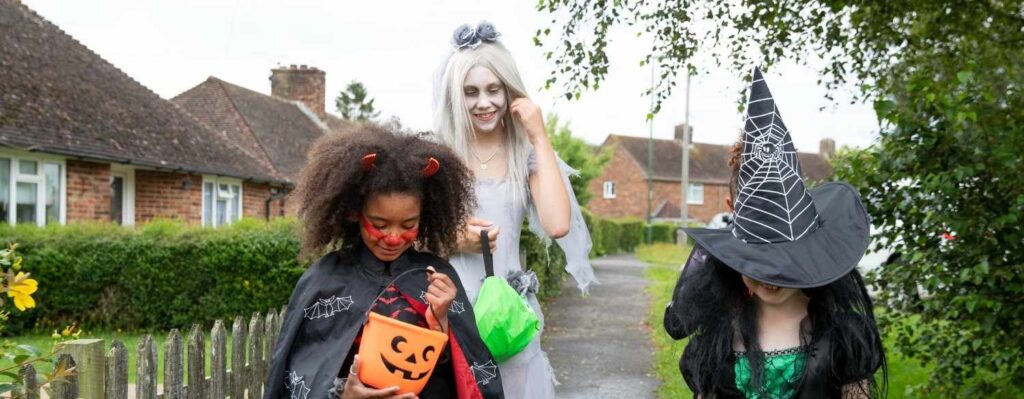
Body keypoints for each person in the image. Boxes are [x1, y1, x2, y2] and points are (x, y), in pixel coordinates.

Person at [664, 68, 887, 398]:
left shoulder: (842, 338)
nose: (768, 276)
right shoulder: (719, 342)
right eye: (755, 261)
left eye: (782, 257)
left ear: (807, 253)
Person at [264, 124, 504, 399]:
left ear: (423, 217)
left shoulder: (437, 275)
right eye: (380, 224)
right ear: (355, 212)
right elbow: (301, 373)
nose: (393, 238)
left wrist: (441, 325)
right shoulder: (324, 279)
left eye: (407, 224)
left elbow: (464, 376)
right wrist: (343, 396)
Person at [432, 22, 597, 399]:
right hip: (447, 311)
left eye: (494, 90)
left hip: (505, 315)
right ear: (455, 96)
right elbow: (408, 233)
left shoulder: (527, 155)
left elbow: (557, 224)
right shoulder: (437, 153)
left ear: (510, 92)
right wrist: (454, 238)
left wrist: (540, 136)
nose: (484, 103)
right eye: (470, 92)